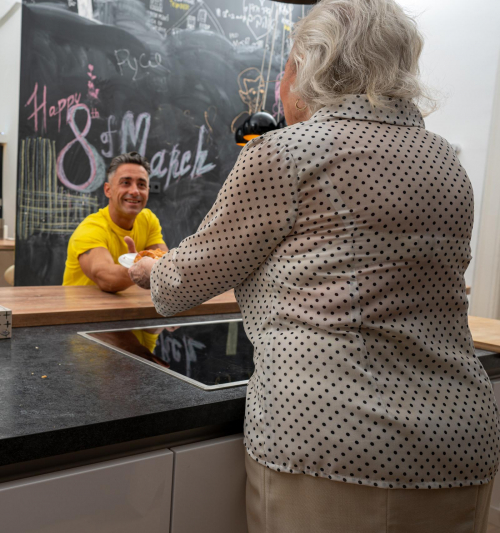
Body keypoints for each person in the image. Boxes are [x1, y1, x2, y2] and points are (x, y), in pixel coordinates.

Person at [130, 1, 500, 531]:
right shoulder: (446, 161)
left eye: (285, 65)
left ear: (312, 67)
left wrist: (150, 270)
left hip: (333, 443)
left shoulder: (285, 153)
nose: (281, 82)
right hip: (461, 436)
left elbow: (188, 278)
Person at [62, 152, 168, 292]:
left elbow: (167, 262)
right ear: (108, 190)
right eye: (125, 183)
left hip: (129, 308)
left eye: (141, 185)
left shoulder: (148, 220)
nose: (135, 191)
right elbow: (105, 278)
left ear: (147, 191)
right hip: (80, 310)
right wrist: (138, 270)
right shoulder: (90, 229)